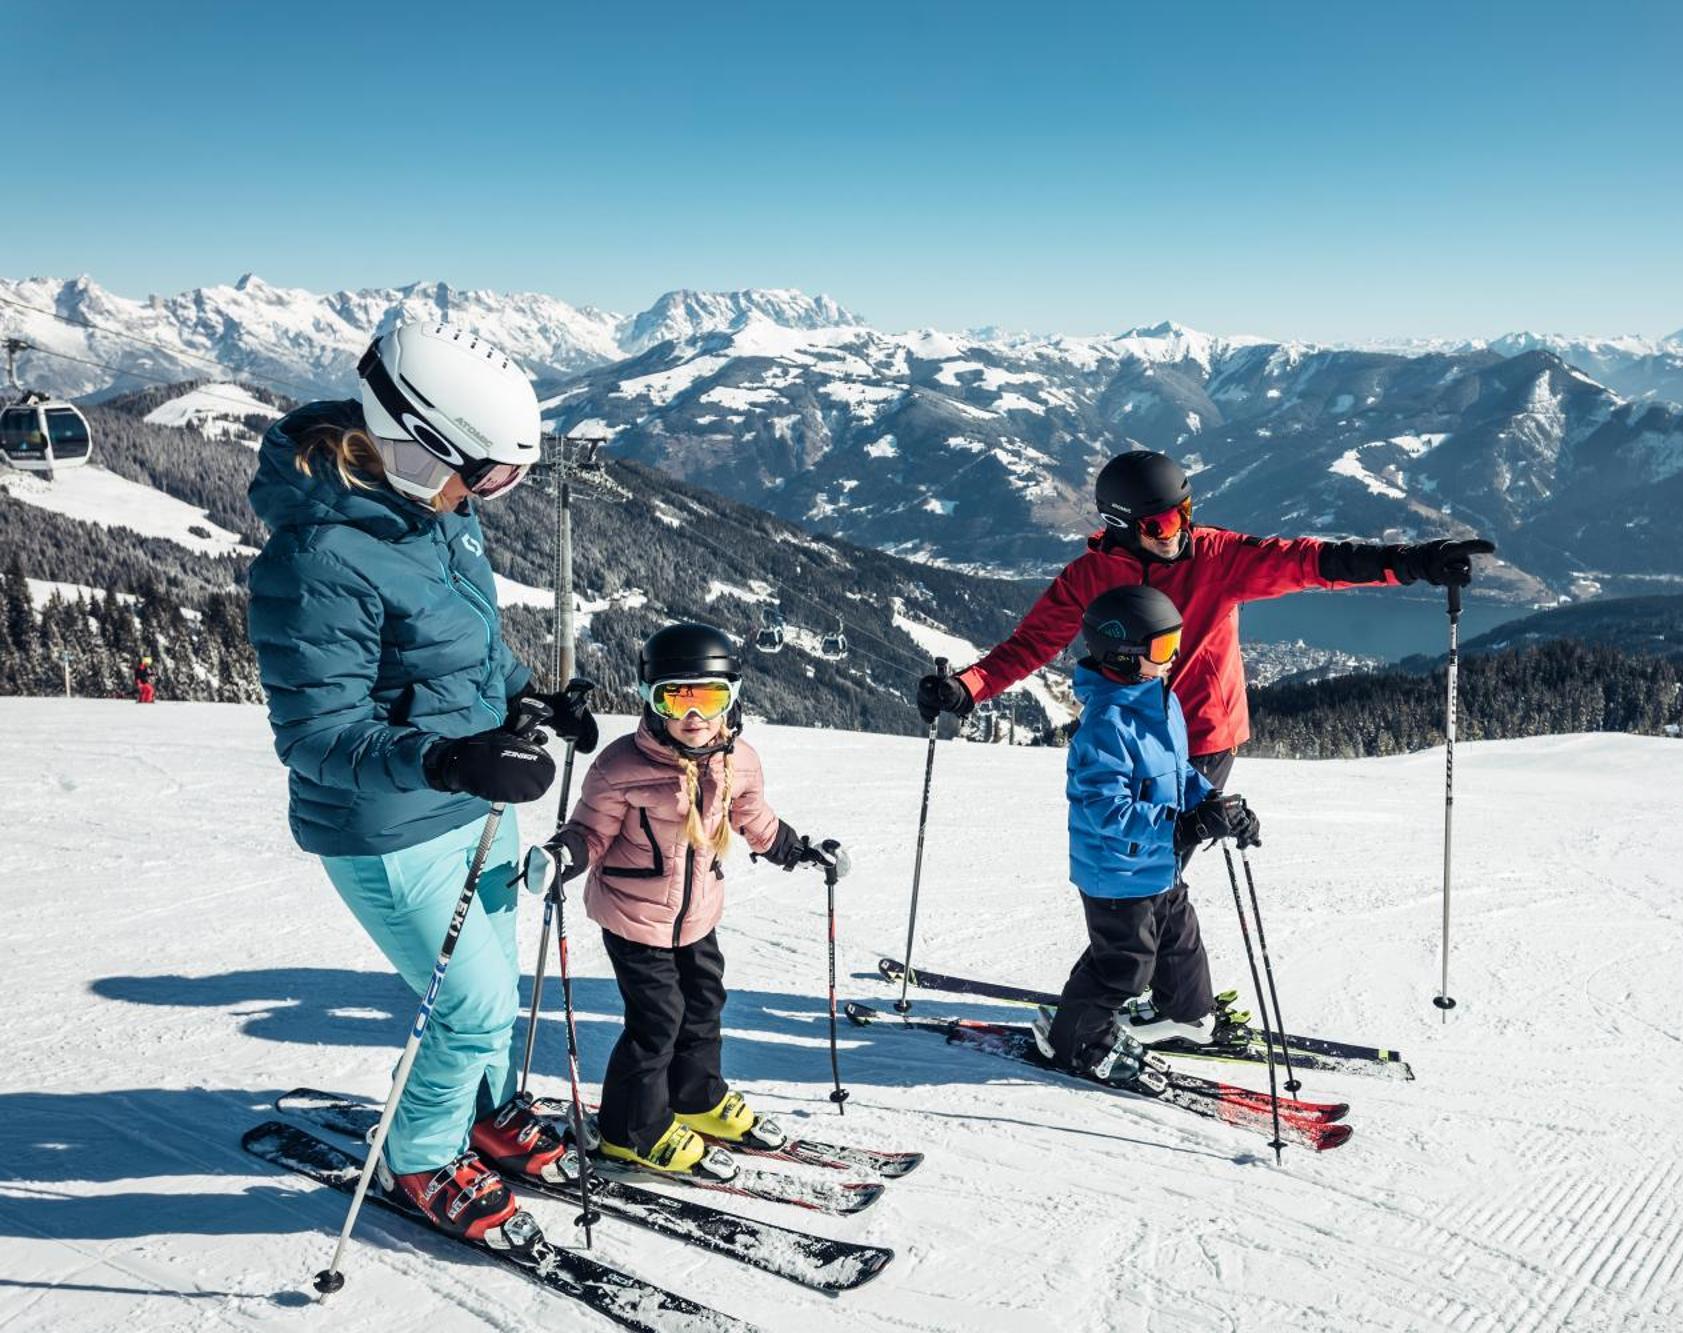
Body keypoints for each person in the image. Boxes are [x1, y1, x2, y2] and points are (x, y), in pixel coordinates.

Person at [246, 321, 598, 1249]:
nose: (493, 494)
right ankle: (421, 1155)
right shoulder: (316, 557)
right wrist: (444, 758)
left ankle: (482, 1108)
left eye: (505, 477)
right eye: (486, 474)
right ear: (416, 442)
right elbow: (316, 734)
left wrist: (535, 699)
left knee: (495, 988)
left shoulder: (436, 512)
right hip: (387, 825)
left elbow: (469, 643)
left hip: (471, 806)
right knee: (471, 1001)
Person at [916, 449, 1495, 802]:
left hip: (1201, 737)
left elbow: (1314, 560)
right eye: (1164, 521)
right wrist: (967, 687)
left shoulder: (1218, 556)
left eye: (1184, 514)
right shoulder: (1090, 576)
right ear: (1124, 524)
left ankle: (1160, 987)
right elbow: (1033, 643)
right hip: (1128, 737)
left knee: (1157, 865)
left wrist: (1411, 562)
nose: (1179, 531)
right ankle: (1153, 980)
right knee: (1127, 861)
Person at [526, 622, 850, 1178]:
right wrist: (563, 857)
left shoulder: (739, 761)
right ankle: (633, 1130)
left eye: (709, 697)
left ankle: (696, 1099)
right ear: (651, 701)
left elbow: (754, 820)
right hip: (633, 915)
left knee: (703, 1005)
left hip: (698, 915)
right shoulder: (621, 766)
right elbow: (591, 832)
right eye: (675, 697)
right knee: (657, 1020)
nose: (694, 715)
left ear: (733, 699)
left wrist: (798, 851)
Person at [1032, 586, 1261, 1091]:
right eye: (1162, 648)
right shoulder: (1106, 727)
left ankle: (1185, 1012)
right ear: (1123, 654)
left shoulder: (1163, 701)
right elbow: (1103, 809)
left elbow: (1179, 773)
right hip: (1115, 872)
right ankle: (1073, 1043)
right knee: (1123, 966)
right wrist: (1178, 827)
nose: (1173, 655)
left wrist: (1214, 805)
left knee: (1179, 939)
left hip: (1156, 863)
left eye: (1175, 642)